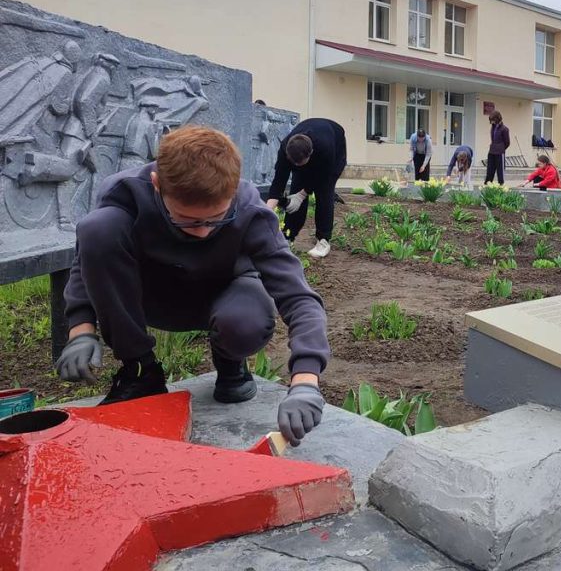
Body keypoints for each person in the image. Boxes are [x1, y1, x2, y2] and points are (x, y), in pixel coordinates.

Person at [55, 126, 330, 447]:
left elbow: (299, 297)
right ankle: (141, 371)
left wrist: (305, 381)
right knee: (97, 228)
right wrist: (81, 329)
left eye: (216, 219)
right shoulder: (124, 193)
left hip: (227, 295)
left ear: (232, 190)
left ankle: (230, 362)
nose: (202, 232)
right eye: (187, 219)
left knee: (244, 321)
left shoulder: (251, 211)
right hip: (149, 297)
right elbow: (88, 256)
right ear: (157, 185)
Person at [267, 118, 347, 259]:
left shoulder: (324, 148)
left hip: (335, 146)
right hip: (305, 149)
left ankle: (323, 240)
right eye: (294, 163)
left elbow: (322, 176)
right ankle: (288, 236)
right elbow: (278, 181)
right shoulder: (285, 149)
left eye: (300, 164)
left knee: (324, 192)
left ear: (310, 153)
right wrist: (266, 212)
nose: (297, 166)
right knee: (296, 186)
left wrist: (302, 195)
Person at [485, 110, 510, 185]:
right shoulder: (492, 128)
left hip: (500, 152)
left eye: (493, 120)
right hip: (491, 151)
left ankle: (501, 185)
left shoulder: (504, 129)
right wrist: (494, 146)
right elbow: (493, 139)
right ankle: (487, 184)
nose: (492, 122)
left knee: (500, 171)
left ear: (497, 118)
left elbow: (507, 142)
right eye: (491, 120)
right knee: (490, 170)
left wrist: (501, 148)